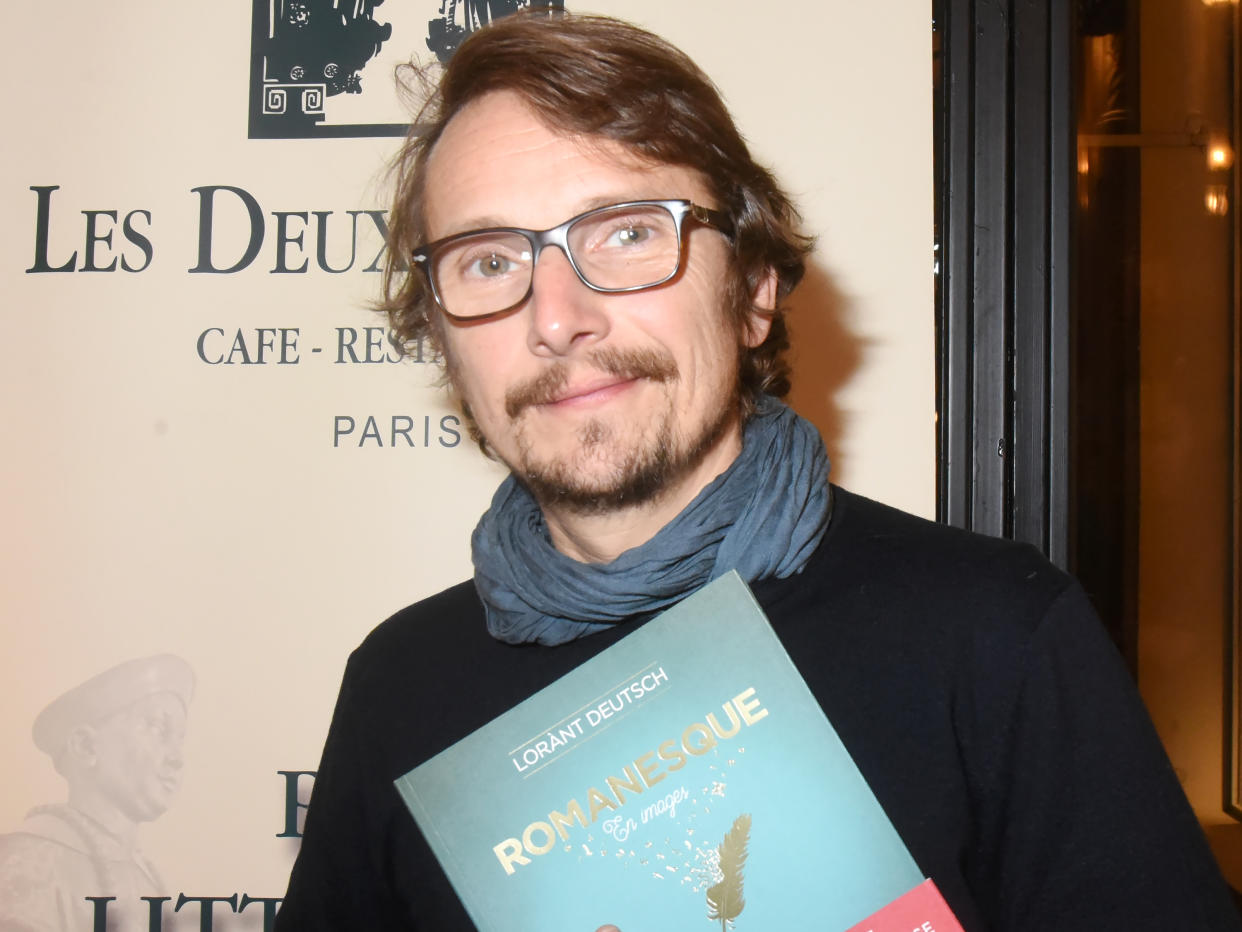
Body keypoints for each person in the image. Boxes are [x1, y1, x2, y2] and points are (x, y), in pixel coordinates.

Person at [275, 11, 1242, 931]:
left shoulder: (998, 640)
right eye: (488, 261)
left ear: (753, 292)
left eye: (627, 232)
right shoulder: (398, 689)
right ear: (443, 338)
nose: (557, 317)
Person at [0, 654, 193, 932]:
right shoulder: (26, 861)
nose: (177, 758)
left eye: (180, 737)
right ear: (86, 746)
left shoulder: (148, 878)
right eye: (157, 727)